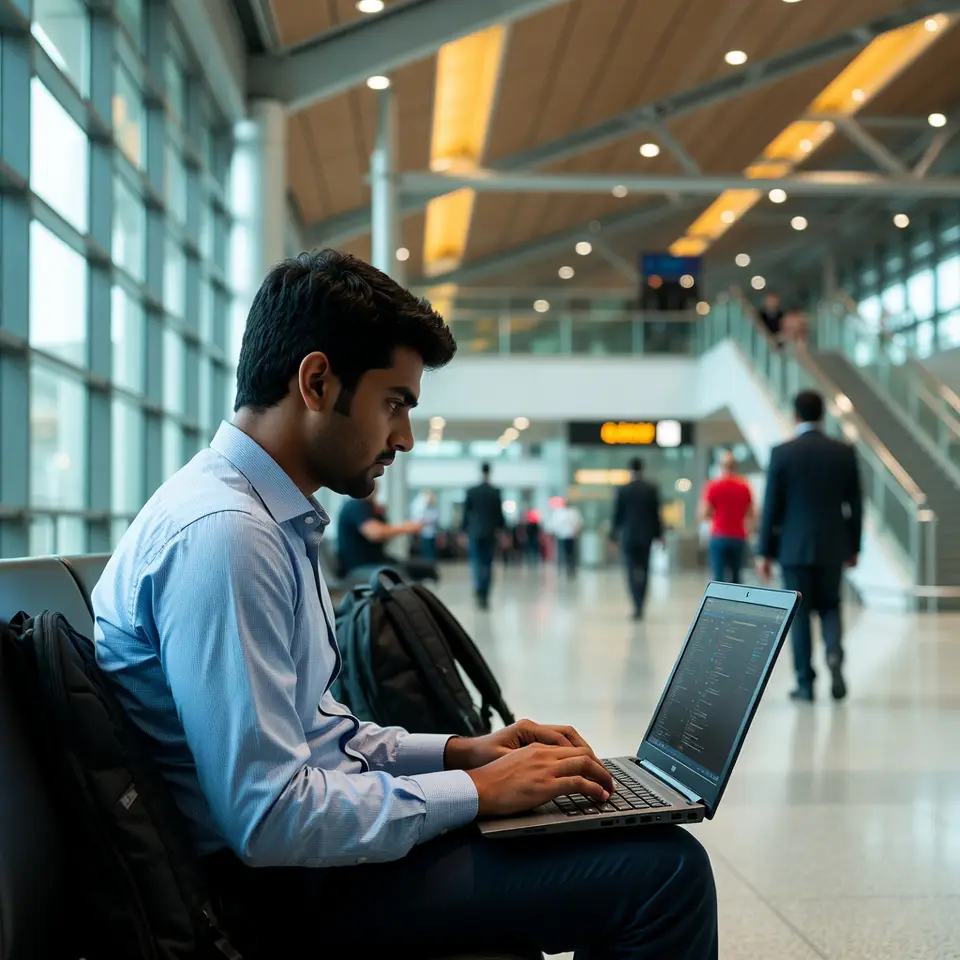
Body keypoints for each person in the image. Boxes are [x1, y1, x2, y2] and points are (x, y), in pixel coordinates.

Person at [92, 250, 716, 958]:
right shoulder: (227, 537)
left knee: (635, 845)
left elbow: (320, 739)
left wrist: (461, 754)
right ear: (318, 382)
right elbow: (267, 816)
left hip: (299, 870)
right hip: (275, 897)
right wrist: (477, 792)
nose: (405, 438)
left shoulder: (259, 517)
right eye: (396, 404)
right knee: (666, 875)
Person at [757, 389, 862, 703]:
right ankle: (833, 653)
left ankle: (805, 682)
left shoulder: (783, 452)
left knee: (799, 615)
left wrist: (765, 551)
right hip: (833, 545)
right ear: (823, 415)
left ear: (796, 415)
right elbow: (855, 505)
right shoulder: (843, 451)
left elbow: (771, 506)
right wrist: (853, 546)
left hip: (794, 548)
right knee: (831, 606)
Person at [611, 458, 663, 620]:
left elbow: (617, 515)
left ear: (629, 470)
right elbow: (656, 515)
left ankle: (636, 604)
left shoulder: (623, 490)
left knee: (630, 571)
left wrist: (613, 536)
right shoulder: (651, 489)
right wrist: (660, 535)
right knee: (645, 570)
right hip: (646, 536)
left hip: (629, 536)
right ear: (643, 469)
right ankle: (641, 603)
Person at [337, 487, 423, 578]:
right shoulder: (355, 505)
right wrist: (405, 528)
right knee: (399, 573)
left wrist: (381, 516)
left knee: (412, 568)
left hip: (375, 561)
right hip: (358, 566)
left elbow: (384, 537)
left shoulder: (368, 508)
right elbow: (374, 533)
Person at [699, 451, 755, 584]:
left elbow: (704, 513)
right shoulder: (744, 486)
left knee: (718, 578)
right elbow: (752, 513)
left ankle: (720, 603)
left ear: (720, 466)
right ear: (735, 466)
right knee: (736, 577)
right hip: (738, 537)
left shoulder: (713, 485)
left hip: (719, 536)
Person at [462, 463, 505, 610]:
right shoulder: (495, 492)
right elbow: (500, 515)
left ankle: (479, 587)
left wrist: (463, 531)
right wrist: (502, 531)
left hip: (474, 532)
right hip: (490, 532)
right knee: (487, 563)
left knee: (476, 562)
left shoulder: (472, 491)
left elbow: (465, 513)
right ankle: (484, 593)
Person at [550, 498, 584, 578]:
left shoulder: (573, 512)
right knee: (563, 553)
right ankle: (563, 568)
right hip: (562, 536)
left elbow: (578, 523)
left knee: (570, 554)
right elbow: (555, 525)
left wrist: (575, 530)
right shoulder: (559, 512)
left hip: (570, 536)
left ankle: (571, 569)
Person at [412, 490, 440, 562]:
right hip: (424, 533)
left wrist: (426, 521)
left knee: (431, 552)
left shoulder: (434, 509)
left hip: (432, 533)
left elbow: (433, 519)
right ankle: (426, 565)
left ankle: (431, 564)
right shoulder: (423, 509)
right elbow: (419, 519)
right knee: (424, 551)